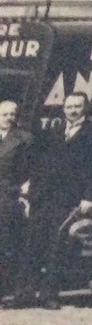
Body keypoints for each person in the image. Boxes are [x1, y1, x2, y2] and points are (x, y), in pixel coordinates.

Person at [19, 92, 92, 309]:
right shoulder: (54, 132)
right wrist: (31, 188)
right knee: (33, 242)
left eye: (77, 106)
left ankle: (49, 295)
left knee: (56, 245)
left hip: (72, 201)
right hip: (46, 197)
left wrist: (89, 197)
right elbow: (41, 164)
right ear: (63, 109)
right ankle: (24, 293)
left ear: (85, 108)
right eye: (69, 107)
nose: (73, 110)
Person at [0, 99, 33, 306]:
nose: (9, 118)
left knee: (5, 246)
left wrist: (26, 190)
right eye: (5, 114)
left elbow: (32, 169)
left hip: (8, 197)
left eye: (13, 114)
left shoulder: (24, 139)